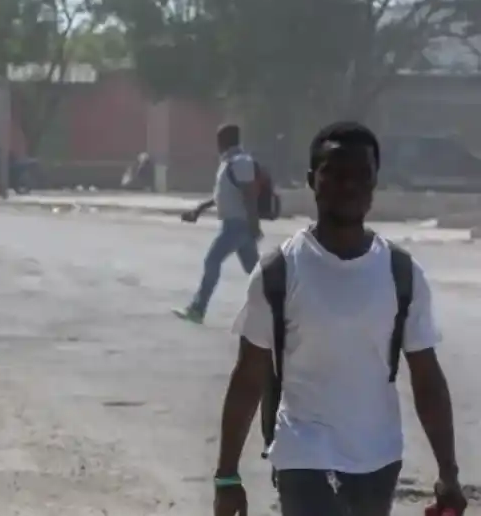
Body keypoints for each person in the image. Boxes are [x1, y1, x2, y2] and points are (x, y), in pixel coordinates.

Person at [210, 122, 465, 516]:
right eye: (336, 173)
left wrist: (448, 472)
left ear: (374, 183)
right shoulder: (279, 271)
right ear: (314, 180)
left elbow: (427, 378)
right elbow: (249, 376)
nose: (350, 185)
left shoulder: (401, 272)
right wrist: (227, 476)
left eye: (362, 175)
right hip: (302, 455)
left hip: (378, 460)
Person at [174, 124, 261, 324]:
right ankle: (285, 308)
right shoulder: (229, 163)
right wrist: (199, 210)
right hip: (237, 225)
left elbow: (249, 194)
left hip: (237, 226)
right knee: (256, 272)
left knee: (212, 261)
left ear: (223, 141)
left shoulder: (241, 162)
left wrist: (254, 224)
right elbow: (222, 195)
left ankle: (197, 309)